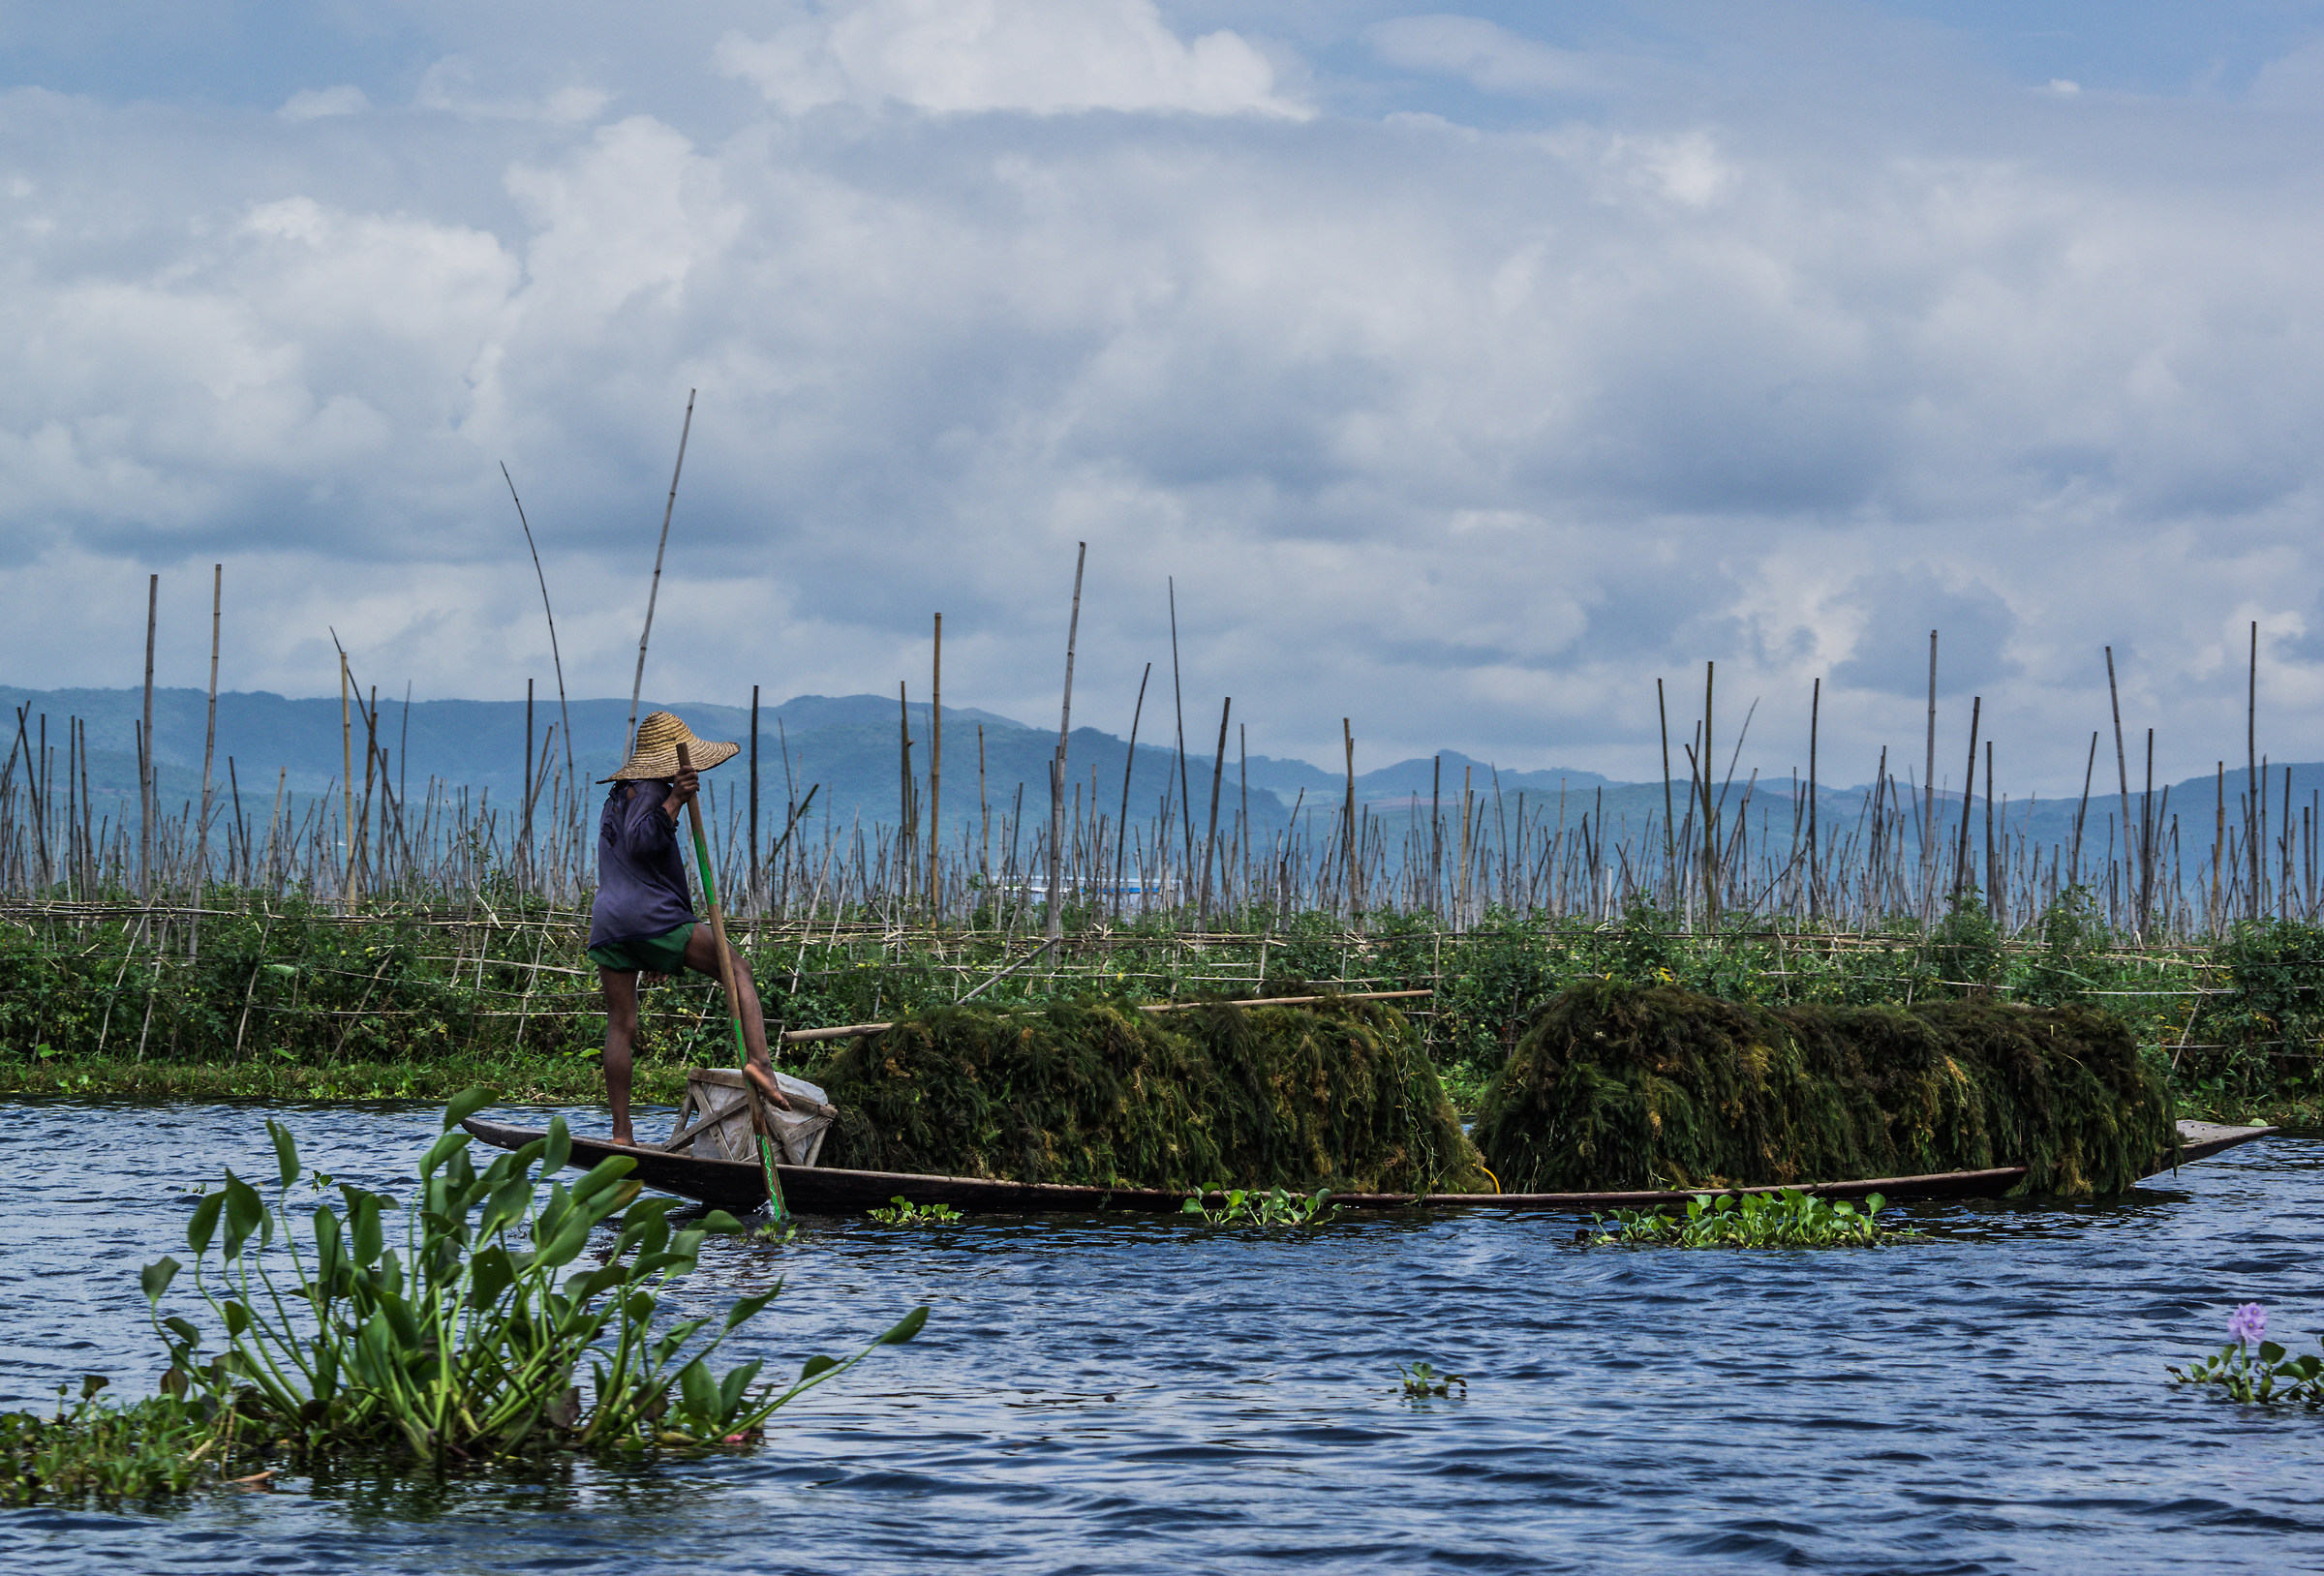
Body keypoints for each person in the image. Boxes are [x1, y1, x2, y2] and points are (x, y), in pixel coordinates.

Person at [585, 710, 788, 1146]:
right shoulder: (653, 790)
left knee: (621, 1024)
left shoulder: (619, 796)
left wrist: (652, 952)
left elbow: (636, 860)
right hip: (649, 916)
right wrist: (675, 799)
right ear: (671, 765)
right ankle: (759, 1063)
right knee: (738, 970)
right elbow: (642, 842)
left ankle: (622, 1134)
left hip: (610, 921)